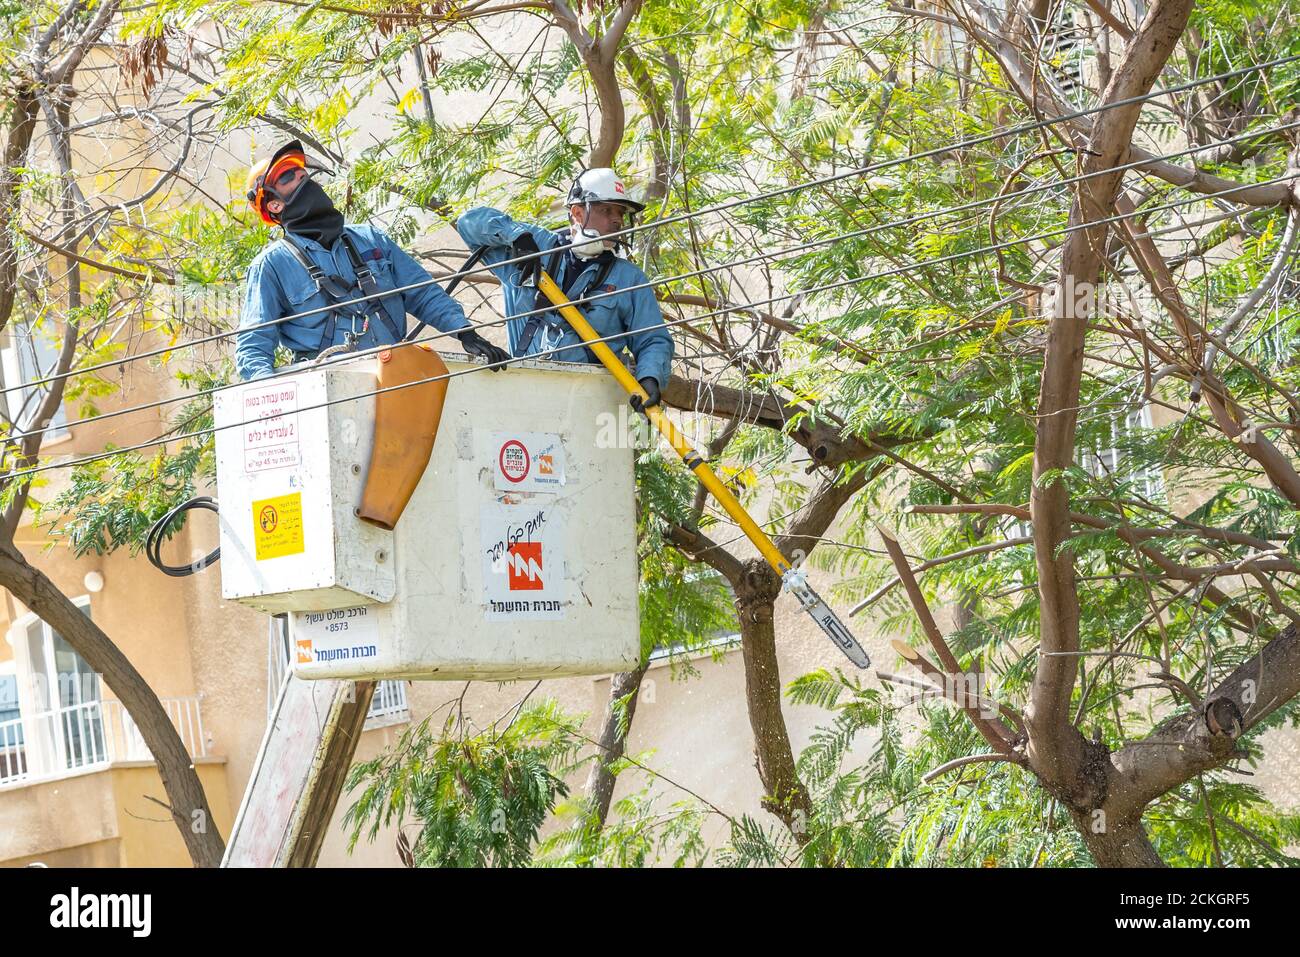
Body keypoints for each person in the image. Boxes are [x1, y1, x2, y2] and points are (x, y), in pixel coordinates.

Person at [235, 139, 509, 381]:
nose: (303, 177)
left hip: (394, 375)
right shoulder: (272, 265)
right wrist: (270, 399)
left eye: (302, 171)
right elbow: (254, 344)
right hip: (328, 385)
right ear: (274, 205)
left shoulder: (369, 239)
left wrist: (464, 332)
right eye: (288, 177)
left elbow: (421, 292)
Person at [456, 168, 673, 411]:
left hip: (586, 403)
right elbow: (468, 223)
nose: (617, 220)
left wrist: (650, 378)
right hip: (522, 393)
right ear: (578, 213)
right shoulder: (538, 247)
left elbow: (653, 340)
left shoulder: (629, 279)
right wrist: (516, 236)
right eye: (607, 210)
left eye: (620, 212)